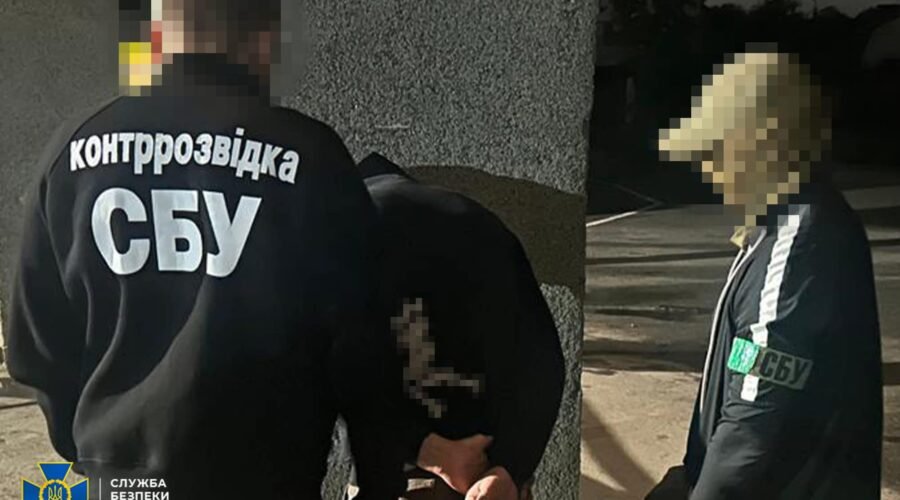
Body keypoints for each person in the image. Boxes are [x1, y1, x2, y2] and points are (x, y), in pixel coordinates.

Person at [6, 1, 408, 498]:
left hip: (125, 484)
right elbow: (364, 346)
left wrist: (101, 456)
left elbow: (35, 346)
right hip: (268, 480)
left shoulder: (74, 151)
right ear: (265, 40)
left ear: (153, 39)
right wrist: (378, 474)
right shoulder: (309, 156)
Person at [647, 50, 883, 499]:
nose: (710, 170)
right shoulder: (777, 225)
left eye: (717, 150)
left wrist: (705, 487)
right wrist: (691, 473)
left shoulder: (800, 238)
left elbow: (754, 415)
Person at [345, 153, 566, 500]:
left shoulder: (335, 237)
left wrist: (427, 449)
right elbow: (542, 358)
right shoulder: (478, 224)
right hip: (486, 467)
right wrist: (510, 468)